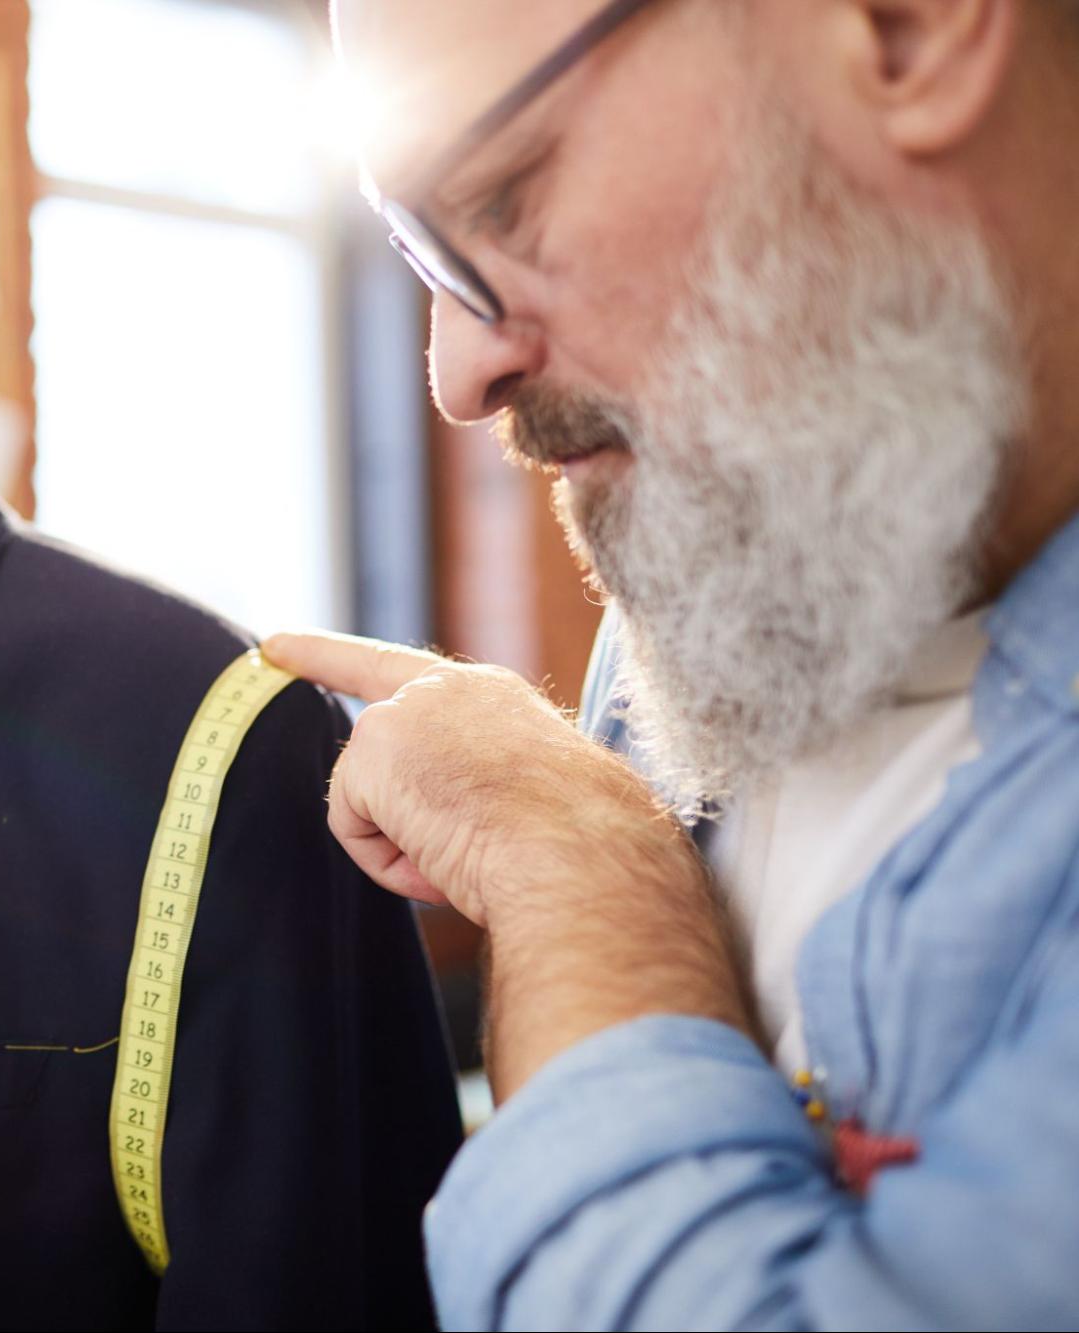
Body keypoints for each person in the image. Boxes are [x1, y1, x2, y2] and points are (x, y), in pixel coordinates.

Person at [264, 0, 1079, 1326]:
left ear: (906, 30)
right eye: (414, 250)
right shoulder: (733, 577)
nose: (457, 374)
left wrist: (580, 876)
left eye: (506, 193)